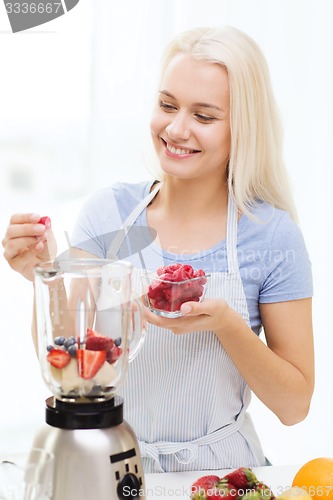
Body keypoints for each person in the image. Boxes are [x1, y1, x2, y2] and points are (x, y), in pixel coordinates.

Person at [2, 25, 314, 473]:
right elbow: (76, 377)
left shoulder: (272, 236)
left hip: (222, 474)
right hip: (113, 464)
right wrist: (45, 275)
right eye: (167, 105)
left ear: (243, 127)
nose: (176, 128)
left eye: (204, 116)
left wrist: (226, 324)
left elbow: (294, 405)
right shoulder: (108, 215)